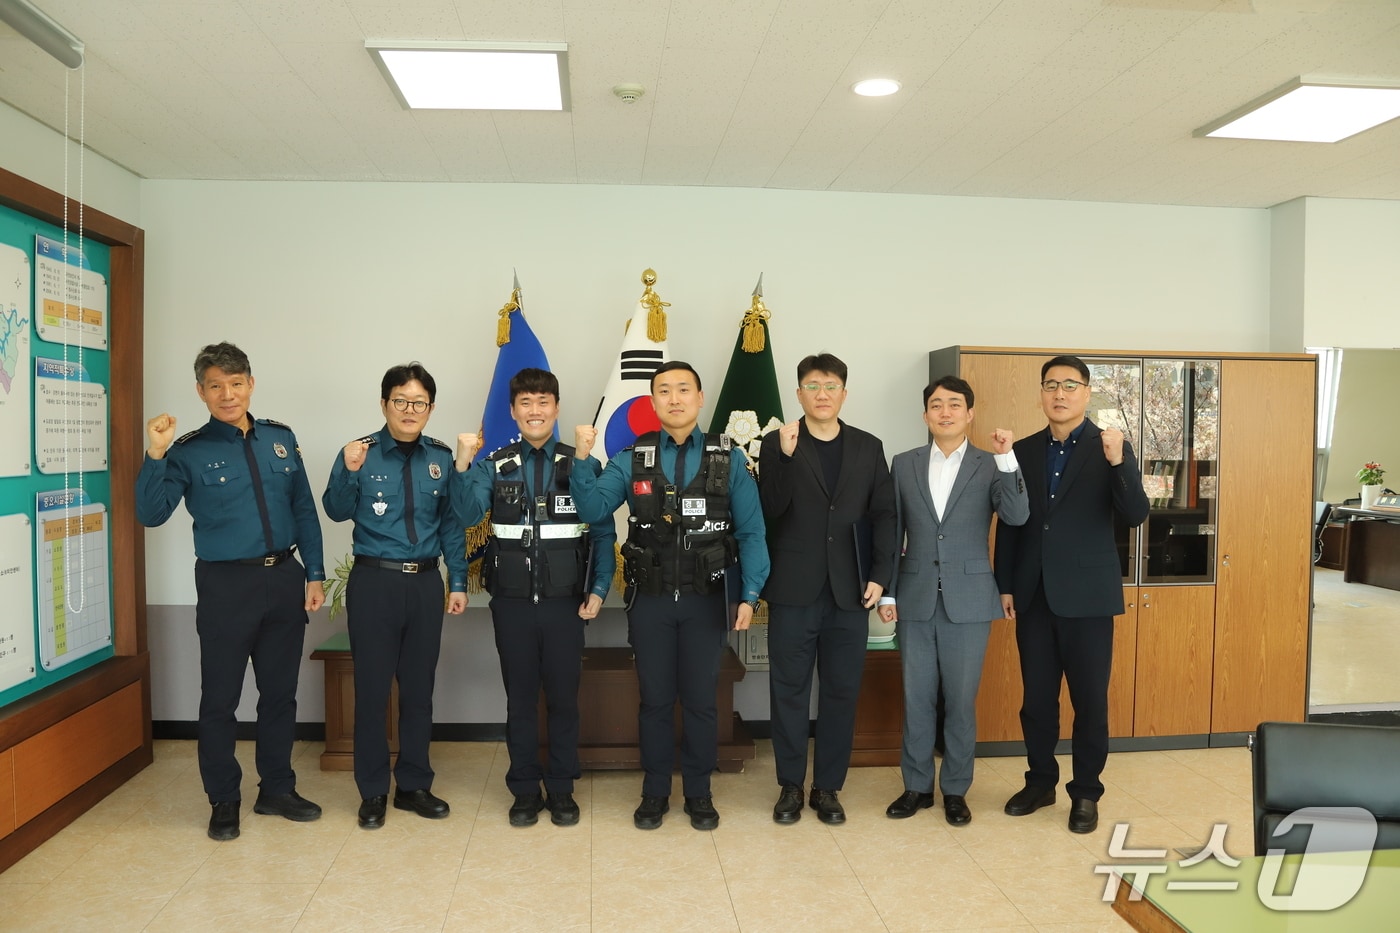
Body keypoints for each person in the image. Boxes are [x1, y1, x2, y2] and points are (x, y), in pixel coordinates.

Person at [136, 342, 325, 841]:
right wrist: (155, 454)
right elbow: (152, 514)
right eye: (216, 385)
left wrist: (315, 573)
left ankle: (277, 789)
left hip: (284, 577)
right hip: (225, 584)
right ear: (201, 391)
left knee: (280, 696)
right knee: (220, 699)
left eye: (236, 383)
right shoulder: (189, 451)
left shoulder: (280, 440)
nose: (228, 394)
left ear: (251, 385)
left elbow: (304, 510)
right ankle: (223, 797)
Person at [570, 360, 770, 831]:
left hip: (707, 599)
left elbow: (753, 531)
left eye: (684, 390)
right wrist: (582, 460)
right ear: (653, 402)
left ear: (700, 399)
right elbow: (593, 507)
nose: (675, 398)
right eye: (664, 391)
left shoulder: (729, 458)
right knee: (655, 700)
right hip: (652, 600)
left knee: (702, 700)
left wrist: (751, 593)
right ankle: (655, 790)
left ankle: (699, 793)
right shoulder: (631, 456)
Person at [994, 355, 1149, 834]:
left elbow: (1136, 513)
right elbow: (1012, 523)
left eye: (1069, 385)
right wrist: (1005, 584)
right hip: (1034, 593)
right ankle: (1040, 782)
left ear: (1086, 392)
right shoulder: (1022, 450)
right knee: (1036, 700)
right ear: (1041, 394)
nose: (1059, 394)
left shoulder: (1110, 447)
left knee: (1089, 701)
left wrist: (1120, 462)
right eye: (1050, 385)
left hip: (1088, 596)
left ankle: (1086, 793)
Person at [455, 368, 615, 828]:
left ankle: (562, 788)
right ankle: (524, 788)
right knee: (520, 699)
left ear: (557, 408)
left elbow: (602, 531)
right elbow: (467, 514)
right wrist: (464, 464)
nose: (535, 411)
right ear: (513, 411)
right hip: (513, 603)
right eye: (525, 403)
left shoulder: (579, 461)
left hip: (567, 603)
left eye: (543, 402)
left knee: (564, 699)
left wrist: (599, 588)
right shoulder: (497, 463)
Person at [322, 362, 469, 830]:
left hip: (425, 583)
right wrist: (347, 472)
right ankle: (372, 791)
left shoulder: (441, 458)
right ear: (384, 403)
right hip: (375, 582)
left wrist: (458, 580)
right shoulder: (359, 453)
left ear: (430, 408)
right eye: (401, 401)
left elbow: (452, 523)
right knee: (371, 690)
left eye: (419, 402)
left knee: (419, 690)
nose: (410, 410)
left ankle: (413, 785)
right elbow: (335, 508)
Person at [878, 376, 1028, 826]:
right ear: (925, 415)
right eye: (937, 405)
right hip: (915, 595)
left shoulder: (991, 463)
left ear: (970, 414)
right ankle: (917, 786)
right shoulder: (903, 463)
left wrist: (1008, 457)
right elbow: (891, 531)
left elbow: (1017, 515)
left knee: (960, 701)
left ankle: (956, 790)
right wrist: (888, 591)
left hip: (969, 597)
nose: (945, 411)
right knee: (916, 697)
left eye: (954, 404)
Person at [757, 353, 895, 825]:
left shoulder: (868, 447)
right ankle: (791, 786)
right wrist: (784, 456)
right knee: (789, 691)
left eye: (830, 385)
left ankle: (828, 788)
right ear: (799, 394)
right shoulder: (778, 443)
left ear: (843, 393)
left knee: (841, 692)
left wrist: (880, 574)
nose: (821, 394)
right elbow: (769, 509)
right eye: (812, 386)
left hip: (852, 591)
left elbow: (885, 515)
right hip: (794, 589)